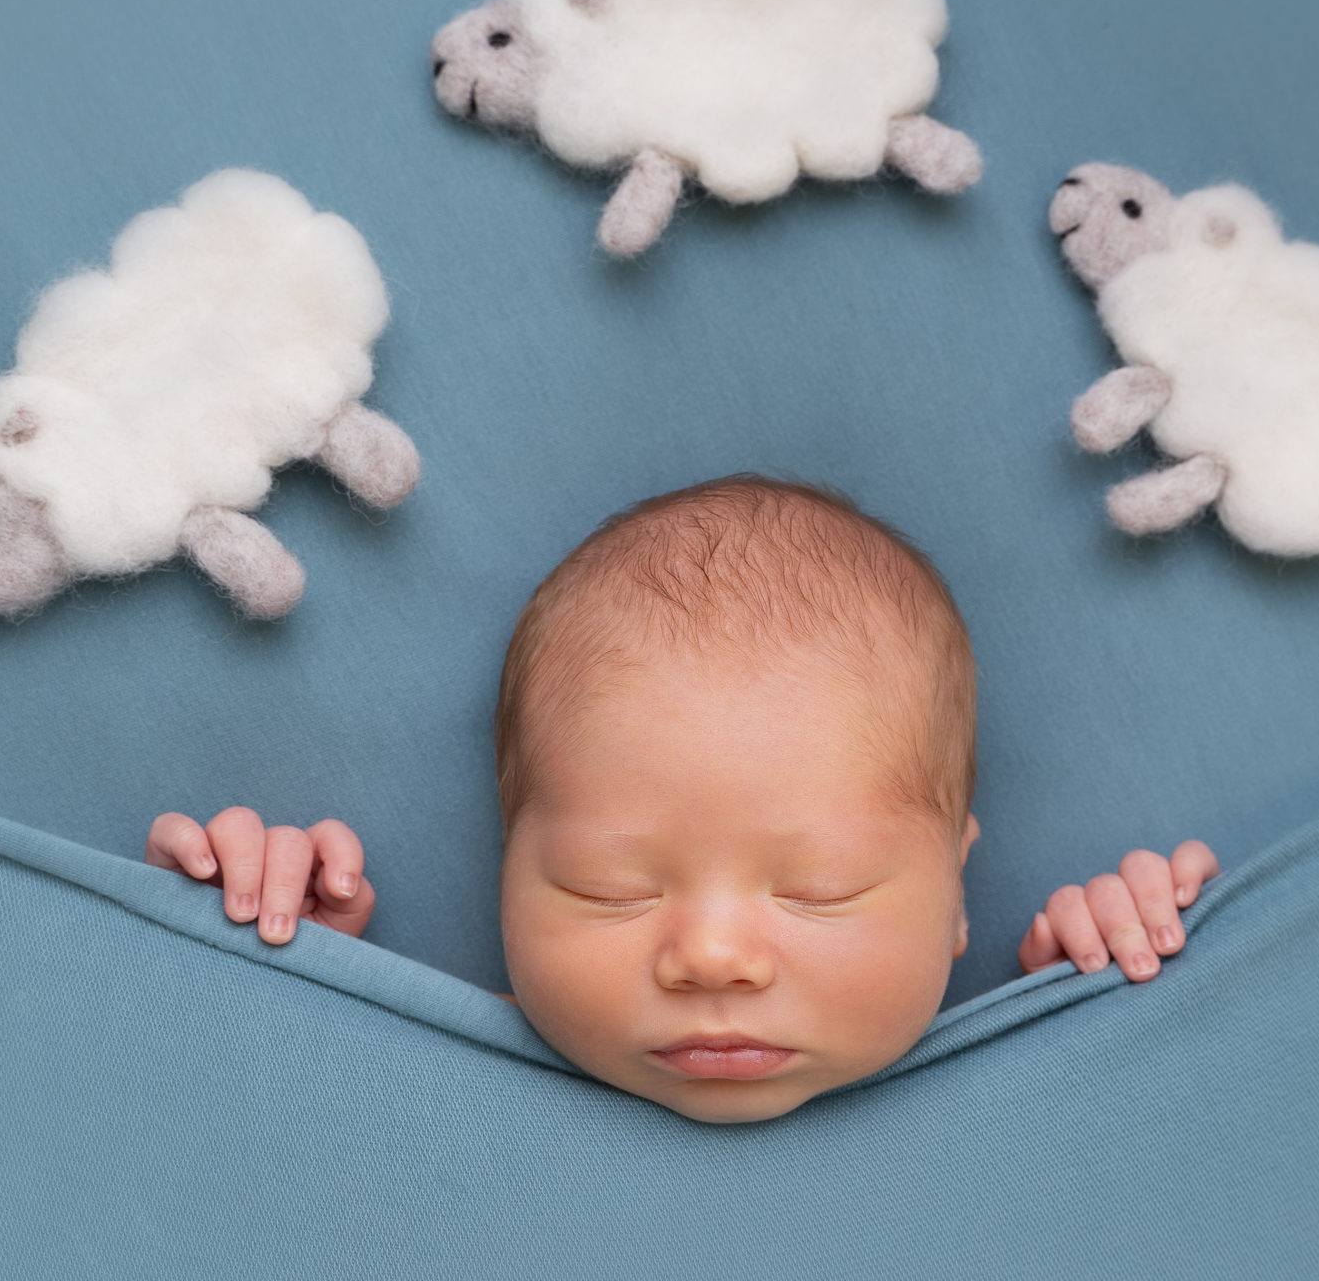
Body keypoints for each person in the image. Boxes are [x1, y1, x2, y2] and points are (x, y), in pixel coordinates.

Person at [146, 475, 1216, 1121]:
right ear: (507, 866)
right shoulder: (432, 1092)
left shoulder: (1034, 1085)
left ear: (956, 892)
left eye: (821, 888)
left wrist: (1088, 993)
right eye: (608, 888)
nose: (710, 958)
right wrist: (287, 969)